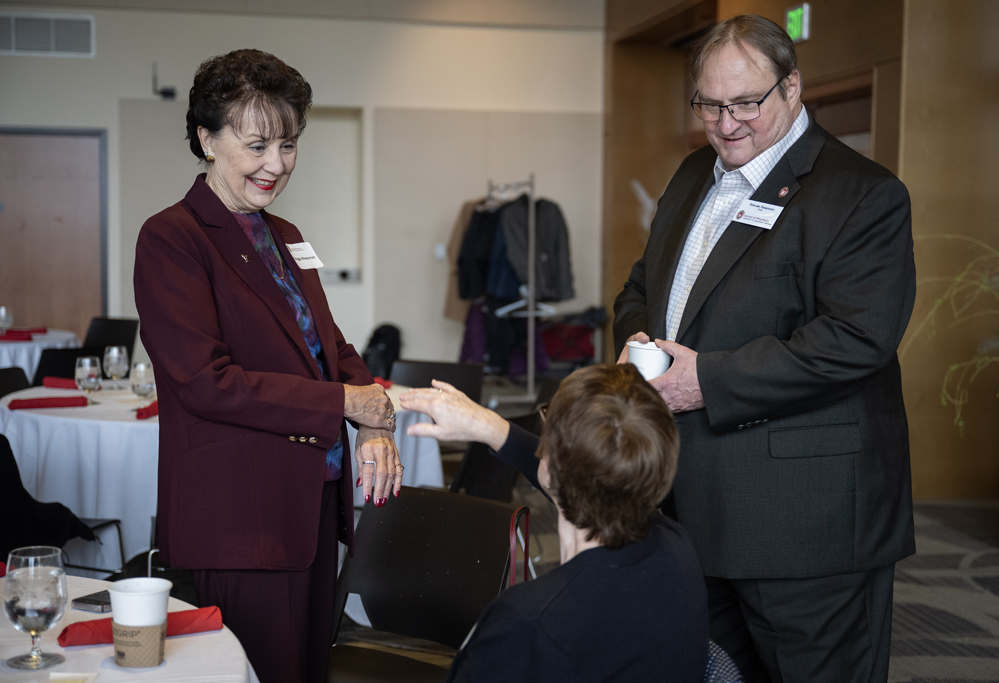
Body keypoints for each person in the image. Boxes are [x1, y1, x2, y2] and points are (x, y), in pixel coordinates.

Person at [613, 15, 915, 683]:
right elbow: (644, 284)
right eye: (710, 105)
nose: (727, 124)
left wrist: (707, 379)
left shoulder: (862, 194)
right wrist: (637, 334)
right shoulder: (695, 173)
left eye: (746, 102)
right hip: (693, 509)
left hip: (807, 524)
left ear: (792, 88)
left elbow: (856, 338)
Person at [134, 49, 402, 683]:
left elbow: (328, 347)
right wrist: (344, 403)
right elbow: (205, 381)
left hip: (307, 503)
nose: (276, 165)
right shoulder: (173, 238)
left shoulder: (282, 234)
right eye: (256, 145)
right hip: (240, 517)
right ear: (206, 138)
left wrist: (374, 418)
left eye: (288, 144)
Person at [400, 364, 709, 682]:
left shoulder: (528, 621)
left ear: (548, 464)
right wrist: (490, 427)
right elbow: (581, 482)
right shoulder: (676, 546)